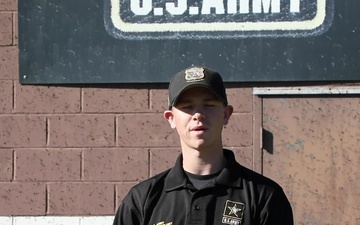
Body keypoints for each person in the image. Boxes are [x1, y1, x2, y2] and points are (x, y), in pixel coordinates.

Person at [113, 66, 294, 225]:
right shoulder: (142, 199)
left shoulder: (265, 196)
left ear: (226, 114)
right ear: (171, 118)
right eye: (188, 107)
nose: (198, 114)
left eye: (209, 105)